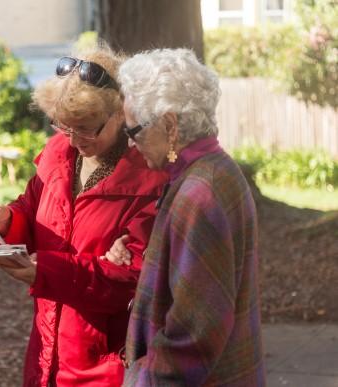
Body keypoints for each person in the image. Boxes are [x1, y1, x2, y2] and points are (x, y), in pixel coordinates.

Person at [0, 44, 168, 386]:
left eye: (87, 127)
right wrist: (5, 221)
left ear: (120, 113)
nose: (75, 139)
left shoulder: (148, 177)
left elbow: (132, 278)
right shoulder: (58, 153)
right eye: (65, 126)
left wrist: (46, 272)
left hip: (107, 364)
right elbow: (32, 210)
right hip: (48, 349)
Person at [109, 48, 265, 386]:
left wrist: (141, 379)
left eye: (133, 131)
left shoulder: (200, 192)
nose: (131, 143)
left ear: (170, 124)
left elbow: (193, 337)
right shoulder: (214, 169)